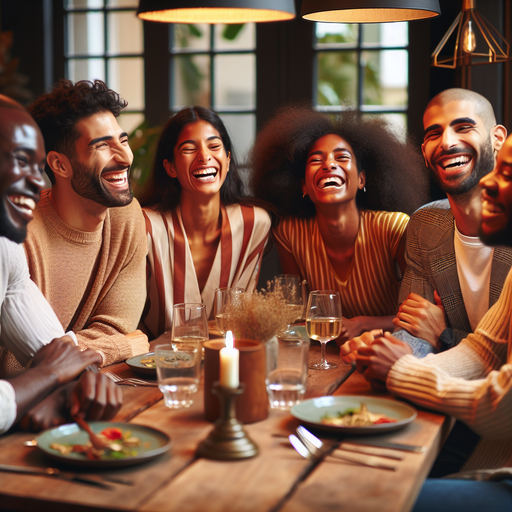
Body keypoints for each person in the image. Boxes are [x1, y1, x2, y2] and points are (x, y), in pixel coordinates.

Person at [346, 134, 512, 512]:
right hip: (489, 455)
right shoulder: (427, 224)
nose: (489, 182)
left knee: (361, 499)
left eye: (507, 173)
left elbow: (503, 407)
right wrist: (390, 360)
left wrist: (403, 371)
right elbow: (484, 351)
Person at [0, 79, 149, 377]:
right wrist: (123, 346)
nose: (124, 157)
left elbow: (119, 327)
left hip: (74, 390)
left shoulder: (125, 216)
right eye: (103, 145)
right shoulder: (17, 233)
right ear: (60, 165)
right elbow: (11, 366)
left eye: (123, 140)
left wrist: (78, 350)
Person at [250, 106, 429, 343]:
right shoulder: (289, 233)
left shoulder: (393, 228)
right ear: (304, 186)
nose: (329, 164)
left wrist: (361, 324)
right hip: (326, 355)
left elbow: (420, 314)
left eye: (342, 157)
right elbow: (299, 315)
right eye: (316, 160)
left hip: (387, 350)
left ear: (361, 179)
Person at [0, 95, 122, 434]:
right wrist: (46, 378)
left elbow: (56, 353)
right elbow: (51, 368)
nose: (39, 182)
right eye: (21, 162)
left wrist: (79, 384)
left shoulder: (5, 247)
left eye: (37, 168)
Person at [393, 88, 509, 357]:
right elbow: (413, 328)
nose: (446, 142)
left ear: (498, 139)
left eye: (463, 127)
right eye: (434, 134)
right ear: (425, 152)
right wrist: (391, 356)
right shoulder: (424, 224)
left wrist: (444, 335)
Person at [139, 106, 271, 338]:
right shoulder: (145, 226)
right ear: (170, 167)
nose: (204, 156)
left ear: (228, 160)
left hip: (222, 360)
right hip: (151, 365)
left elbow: (239, 320)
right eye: (189, 149)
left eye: (214, 146)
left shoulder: (254, 224)